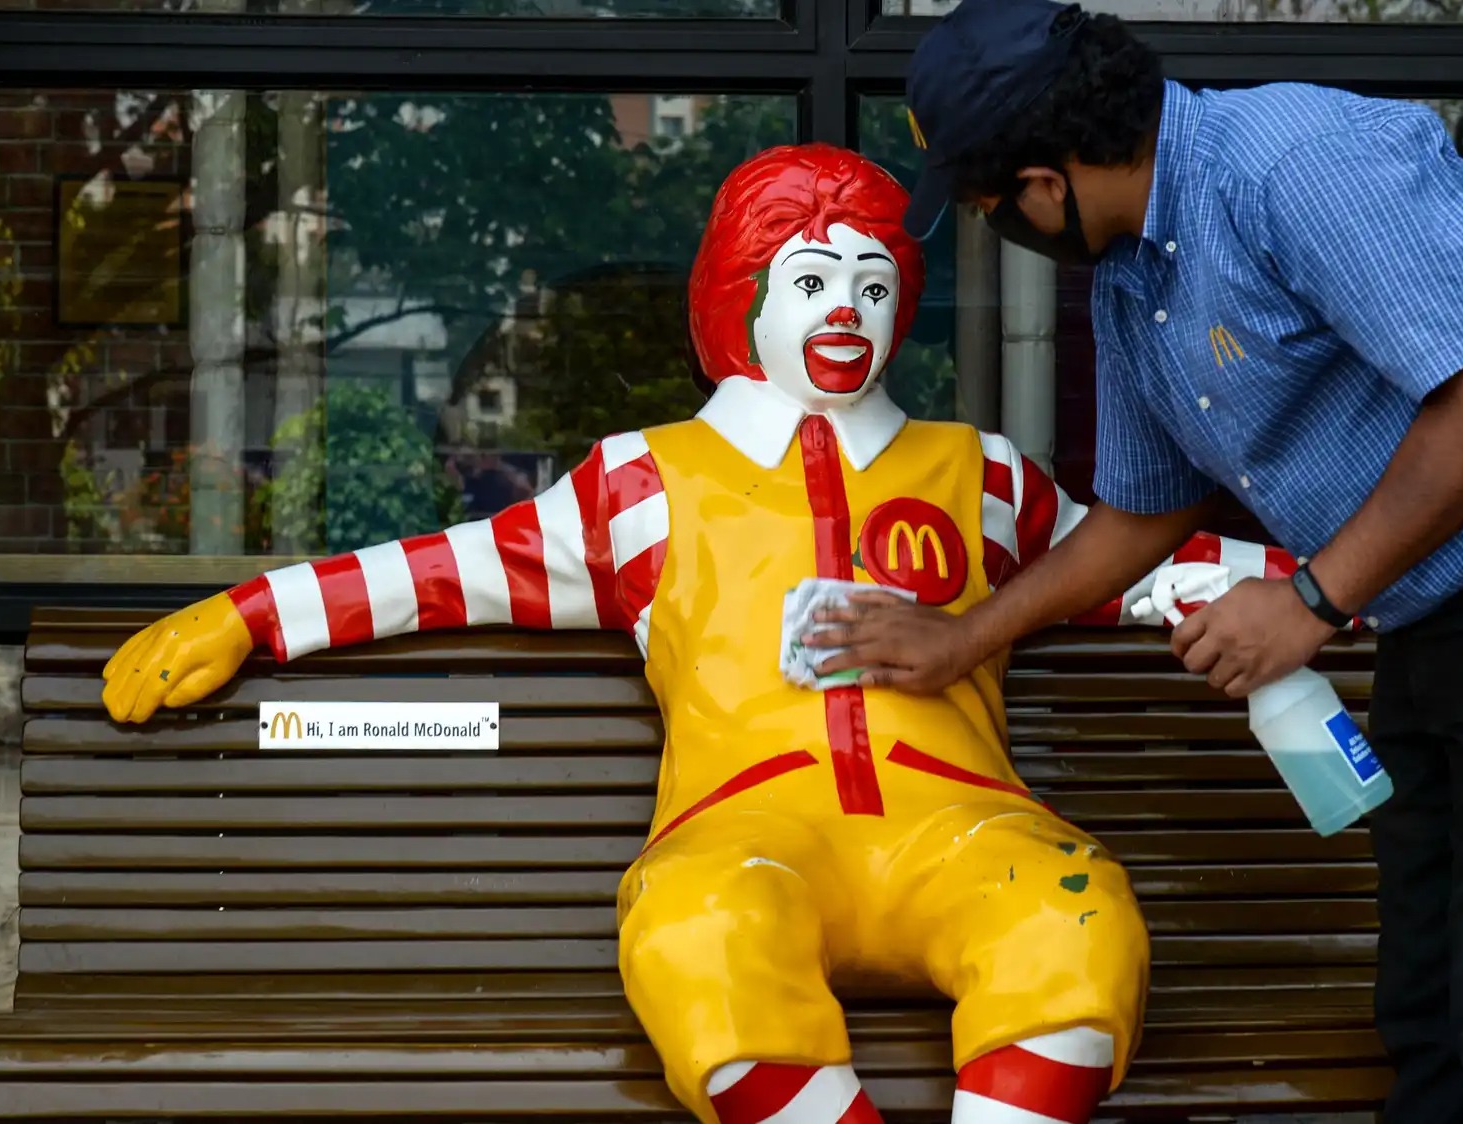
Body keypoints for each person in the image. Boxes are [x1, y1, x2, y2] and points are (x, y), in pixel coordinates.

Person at [94, 142, 1299, 1124]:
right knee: (699, 932)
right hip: (747, 833)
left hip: (965, 827)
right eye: (815, 280)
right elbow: (447, 570)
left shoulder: (971, 469)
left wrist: (1328, 588)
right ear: (747, 293)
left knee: (1074, 910)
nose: (848, 312)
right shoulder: (643, 483)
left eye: (874, 284)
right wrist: (249, 614)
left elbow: (1131, 558)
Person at [803, 3, 1463, 1122]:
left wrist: (1307, 597)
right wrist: (962, 637)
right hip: (1448, 591)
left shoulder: (1296, 163)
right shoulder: (1126, 281)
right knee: (1426, 1003)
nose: (993, 224)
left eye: (984, 204)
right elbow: (1138, 513)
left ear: (1043, 184)